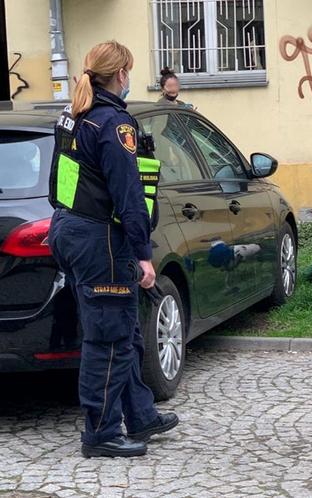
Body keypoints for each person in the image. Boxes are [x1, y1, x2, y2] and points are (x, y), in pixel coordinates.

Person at [47, 41, 178, 458]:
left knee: (123, 327)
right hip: (101, 237)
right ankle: (100, 433)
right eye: (129, 73)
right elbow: (129, 195)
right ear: (120, 74)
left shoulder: (72, 116)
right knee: (109, 338)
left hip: (70, 228)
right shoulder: (113, 125)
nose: (129, 80)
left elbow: (61, 182)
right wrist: (143, 253)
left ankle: (139, 413)